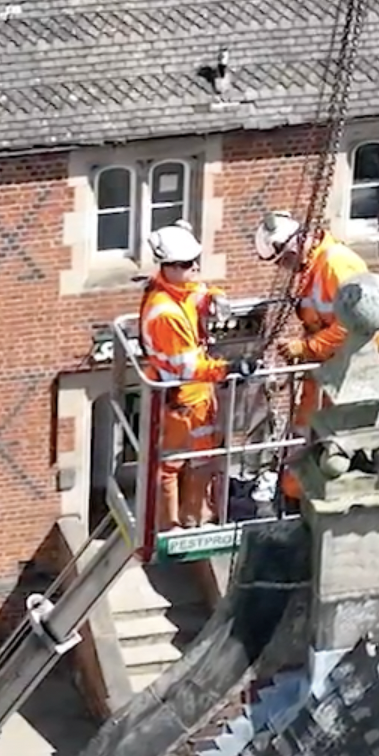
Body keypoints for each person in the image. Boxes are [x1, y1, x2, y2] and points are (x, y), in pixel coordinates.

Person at [252, 212, 379, 503]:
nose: (284, 267)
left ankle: (303, 494)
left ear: (295, 245)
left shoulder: (334, 264)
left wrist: (306, 348)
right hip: (330, 364)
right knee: (307, 426)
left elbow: (352, 325)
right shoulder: (314, 266)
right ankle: (294, 492)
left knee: (325, 431)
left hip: (349, 365)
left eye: (283, 260)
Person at [138, 224, 254, 531]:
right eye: (190, 265)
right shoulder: (165, 313)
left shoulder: (179, 291)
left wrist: (215, 297)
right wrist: (227, 369)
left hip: (197, 395)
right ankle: (169, 524)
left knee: (205, 456)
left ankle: (198, 516)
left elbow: (199, 294)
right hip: (181, 397)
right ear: (170, 267)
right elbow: (186, 367)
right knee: (171, 463)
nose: (196, 268)